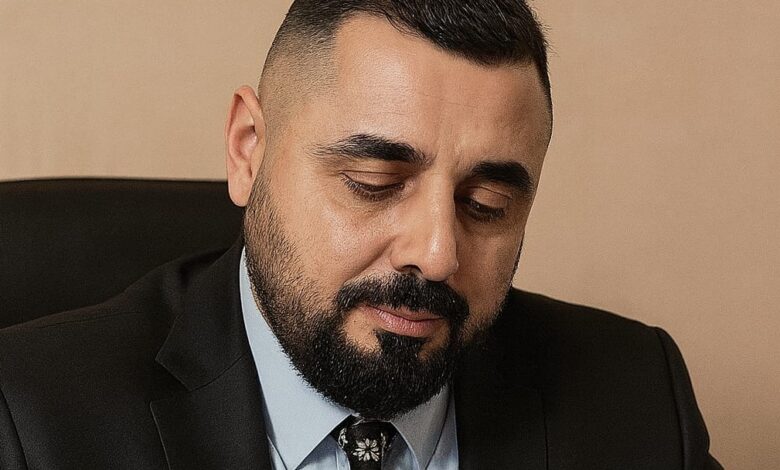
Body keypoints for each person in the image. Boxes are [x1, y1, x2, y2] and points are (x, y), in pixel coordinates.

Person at [0, 1, 721, 469]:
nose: (436, 255)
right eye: (374, 183)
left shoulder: (638, 399)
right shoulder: (29, 421)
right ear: (249, 150)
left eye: (487, 204)